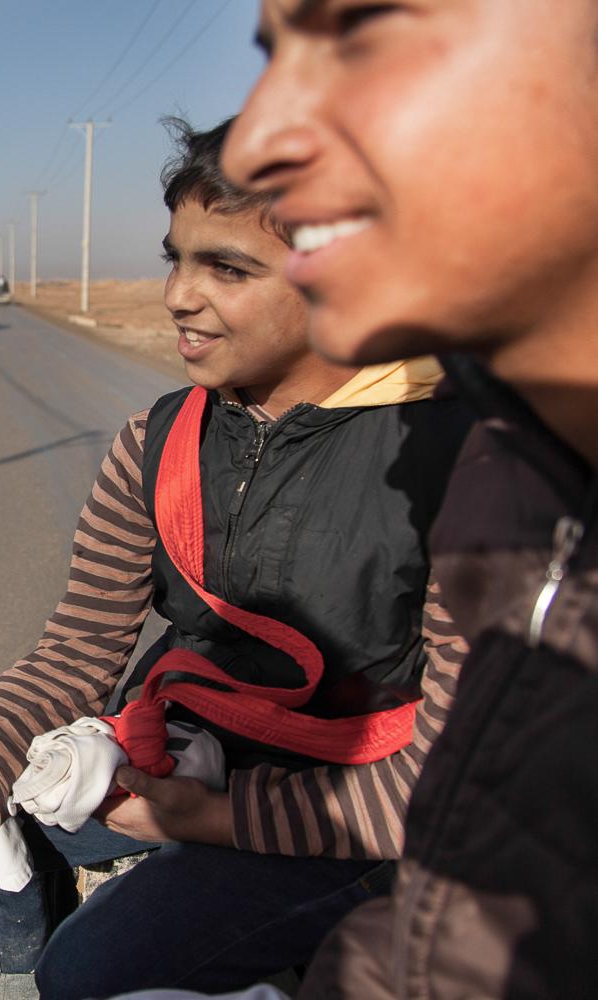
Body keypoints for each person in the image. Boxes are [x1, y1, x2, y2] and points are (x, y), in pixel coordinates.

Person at [0, 118, 474, 999]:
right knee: (22, 815)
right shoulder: (155, 443)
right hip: (202, 763)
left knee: (86, 972)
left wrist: (216, 822)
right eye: (177, 259)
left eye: (227, 268)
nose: (177, 296)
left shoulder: (458, 460)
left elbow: (455, 775)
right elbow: (77, 654)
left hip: (364, 818)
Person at [206, 1, 598, 996]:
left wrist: (198, 818)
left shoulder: (437, 448)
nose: (253, 144)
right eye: (271, 54)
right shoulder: (518, 477)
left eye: (361, 28)